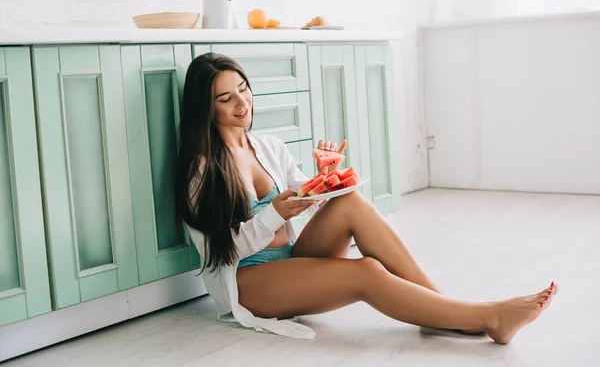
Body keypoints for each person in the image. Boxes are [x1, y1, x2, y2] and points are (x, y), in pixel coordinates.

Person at [174, 52, 557, 344]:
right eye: (225, 98)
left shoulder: (268, 146)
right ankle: (483, 317)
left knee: (351, 202)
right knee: (367, 271)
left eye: (243, 89)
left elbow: (307, 195)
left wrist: (325, 179)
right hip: (248, 282)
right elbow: (221, 253)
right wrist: (274, 213)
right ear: (205, 108)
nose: (242, 104)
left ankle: (442, 308)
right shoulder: (201, 170)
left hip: (289, 260)